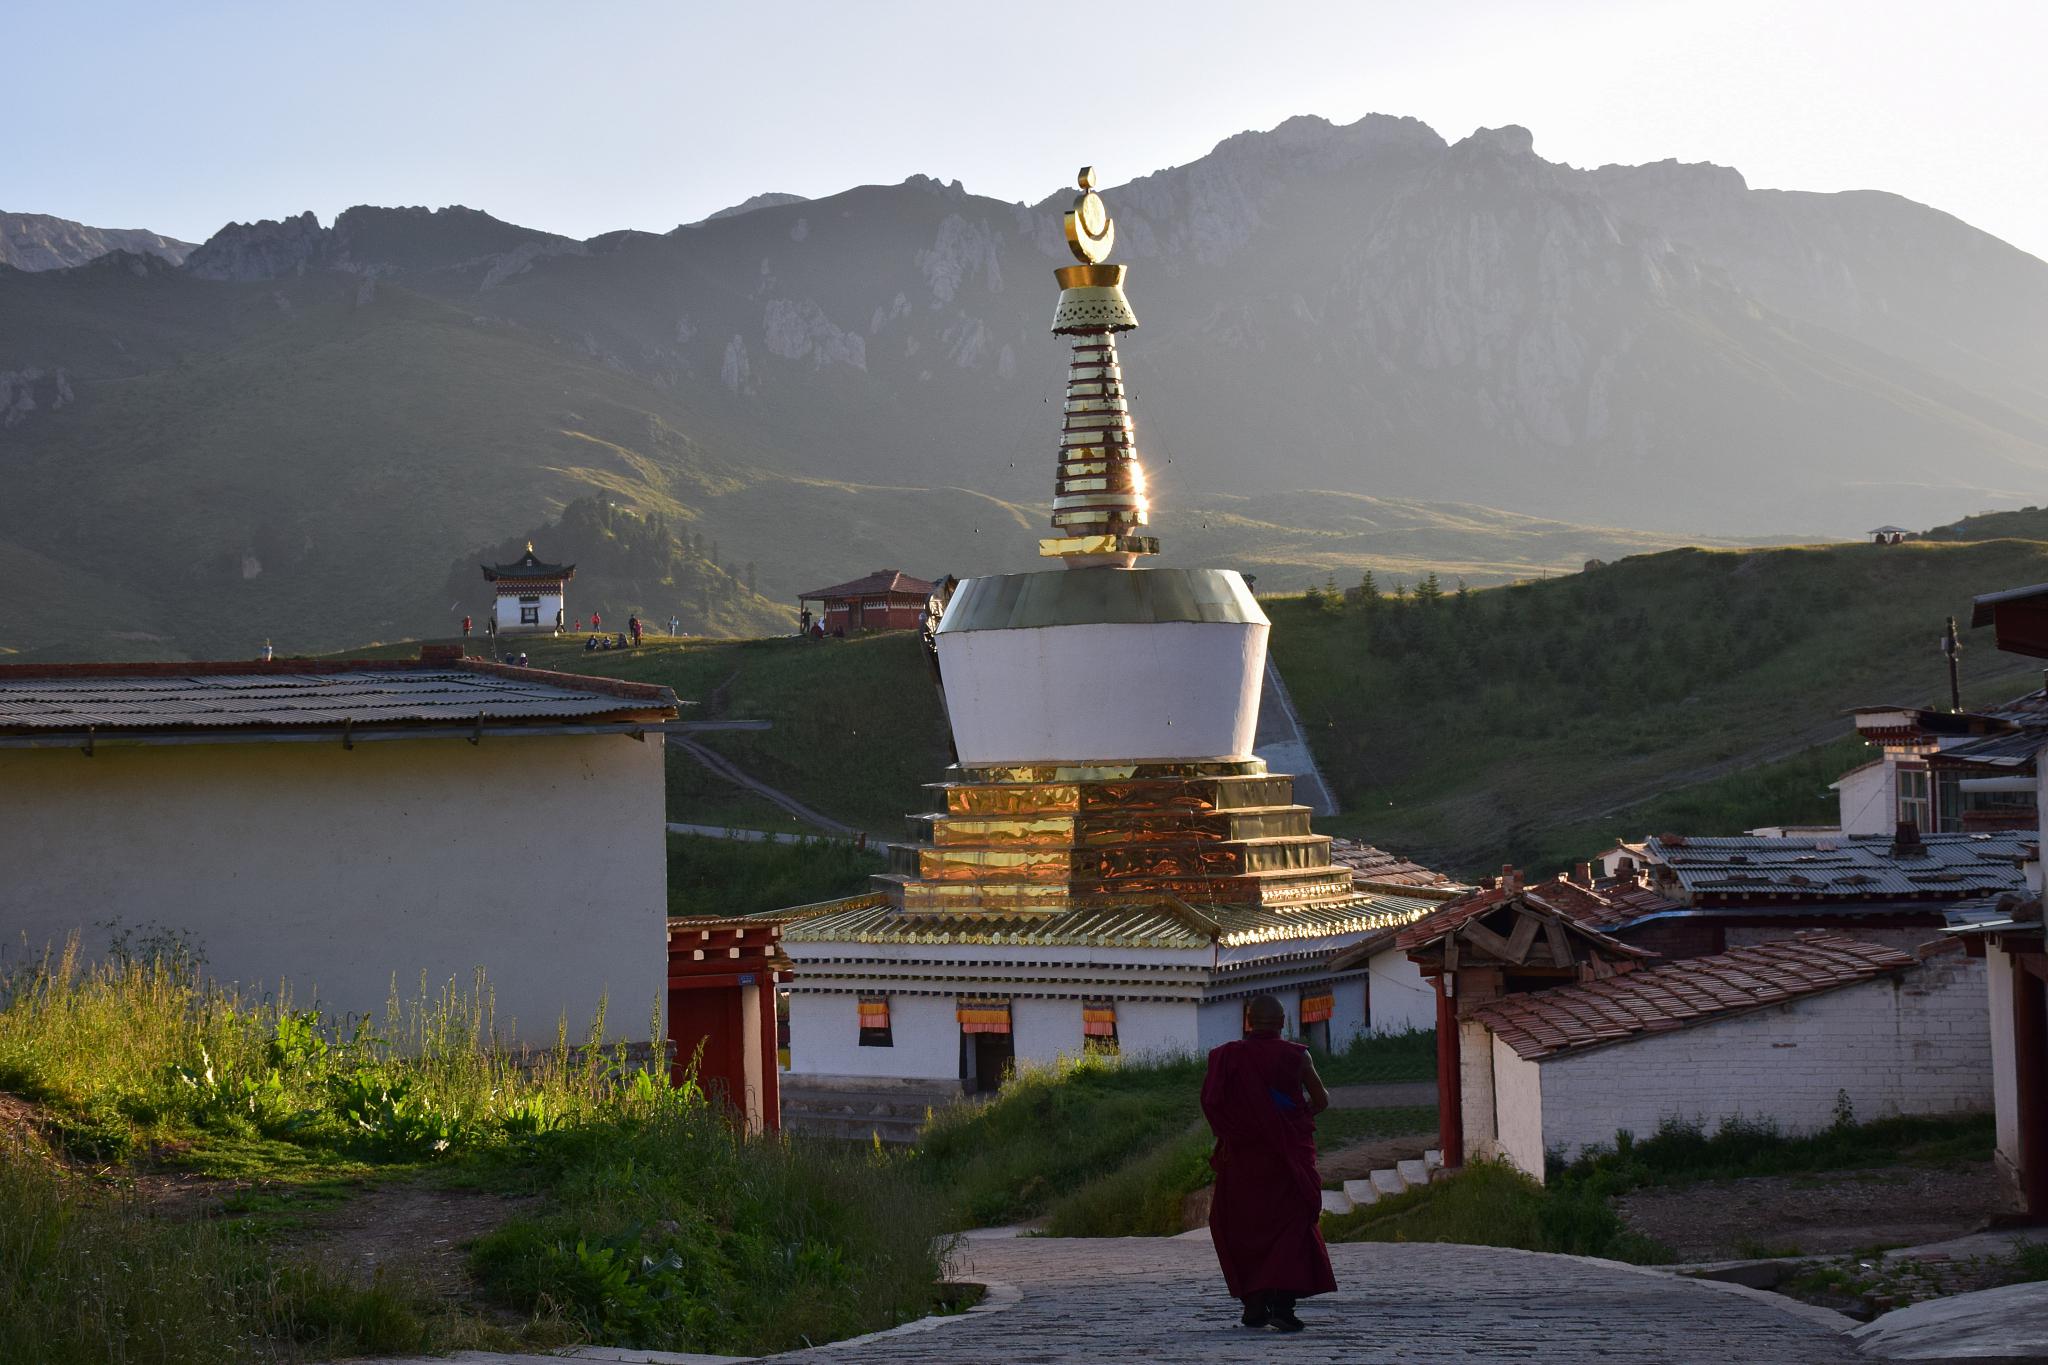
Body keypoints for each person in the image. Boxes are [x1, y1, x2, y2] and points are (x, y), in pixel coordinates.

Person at [1200, 994, 1335, 1333]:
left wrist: (1239, 1130)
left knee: (1245, 1227)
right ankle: (1283, 1307)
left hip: (1243, 1159)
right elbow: (1321, 1100)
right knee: (1290, 1227)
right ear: (1282, 1023)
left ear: (1249, 1022)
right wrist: (1291, 1121)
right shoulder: (1297, 1056)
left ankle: (1254, 1304)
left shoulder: (1226, 1057)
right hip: (1286, 1158)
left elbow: (1212, 1102)